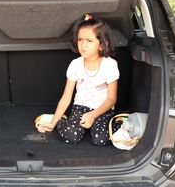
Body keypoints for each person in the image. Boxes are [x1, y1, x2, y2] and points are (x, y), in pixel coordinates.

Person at [37, 14, 119, 146]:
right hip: (80, 108)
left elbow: (111, 99)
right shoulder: (75, 64)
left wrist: (93, 115)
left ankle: (118, 123)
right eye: (80, 40)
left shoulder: (110, 65)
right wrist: (52, 124)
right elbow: (66, 97)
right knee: (71, 136)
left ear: (102, 45)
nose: (83, 45)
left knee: (101, 140)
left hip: (102, 109)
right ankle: (62, 121)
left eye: (89, 41)